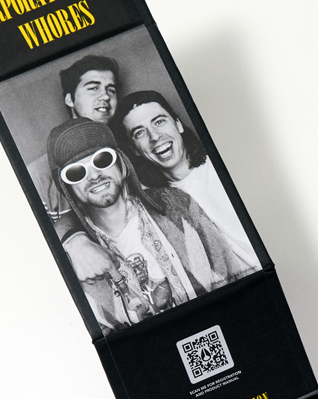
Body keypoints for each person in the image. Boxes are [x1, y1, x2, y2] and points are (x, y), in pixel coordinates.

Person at [49, 121, 253, 331]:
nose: (94, 176)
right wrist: (73, 243)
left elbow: (231, 274)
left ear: (121, 165)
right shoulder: (75, 259)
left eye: (102, 160)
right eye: (76, 173)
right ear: (66, 187)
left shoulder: (176, 204)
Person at [110, 91, 259, 271]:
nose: (154, 136)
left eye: (159, 122)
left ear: (178, 124)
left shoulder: (225, 162)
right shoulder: (152, 203)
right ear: (134, 149)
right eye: (139, 132)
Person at [26, 54, 123, 287]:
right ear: (70, 99)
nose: (105, 96)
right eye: (93, 88)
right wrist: (73, 240)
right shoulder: (38, 174)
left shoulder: (128, 156)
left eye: (111, 90)